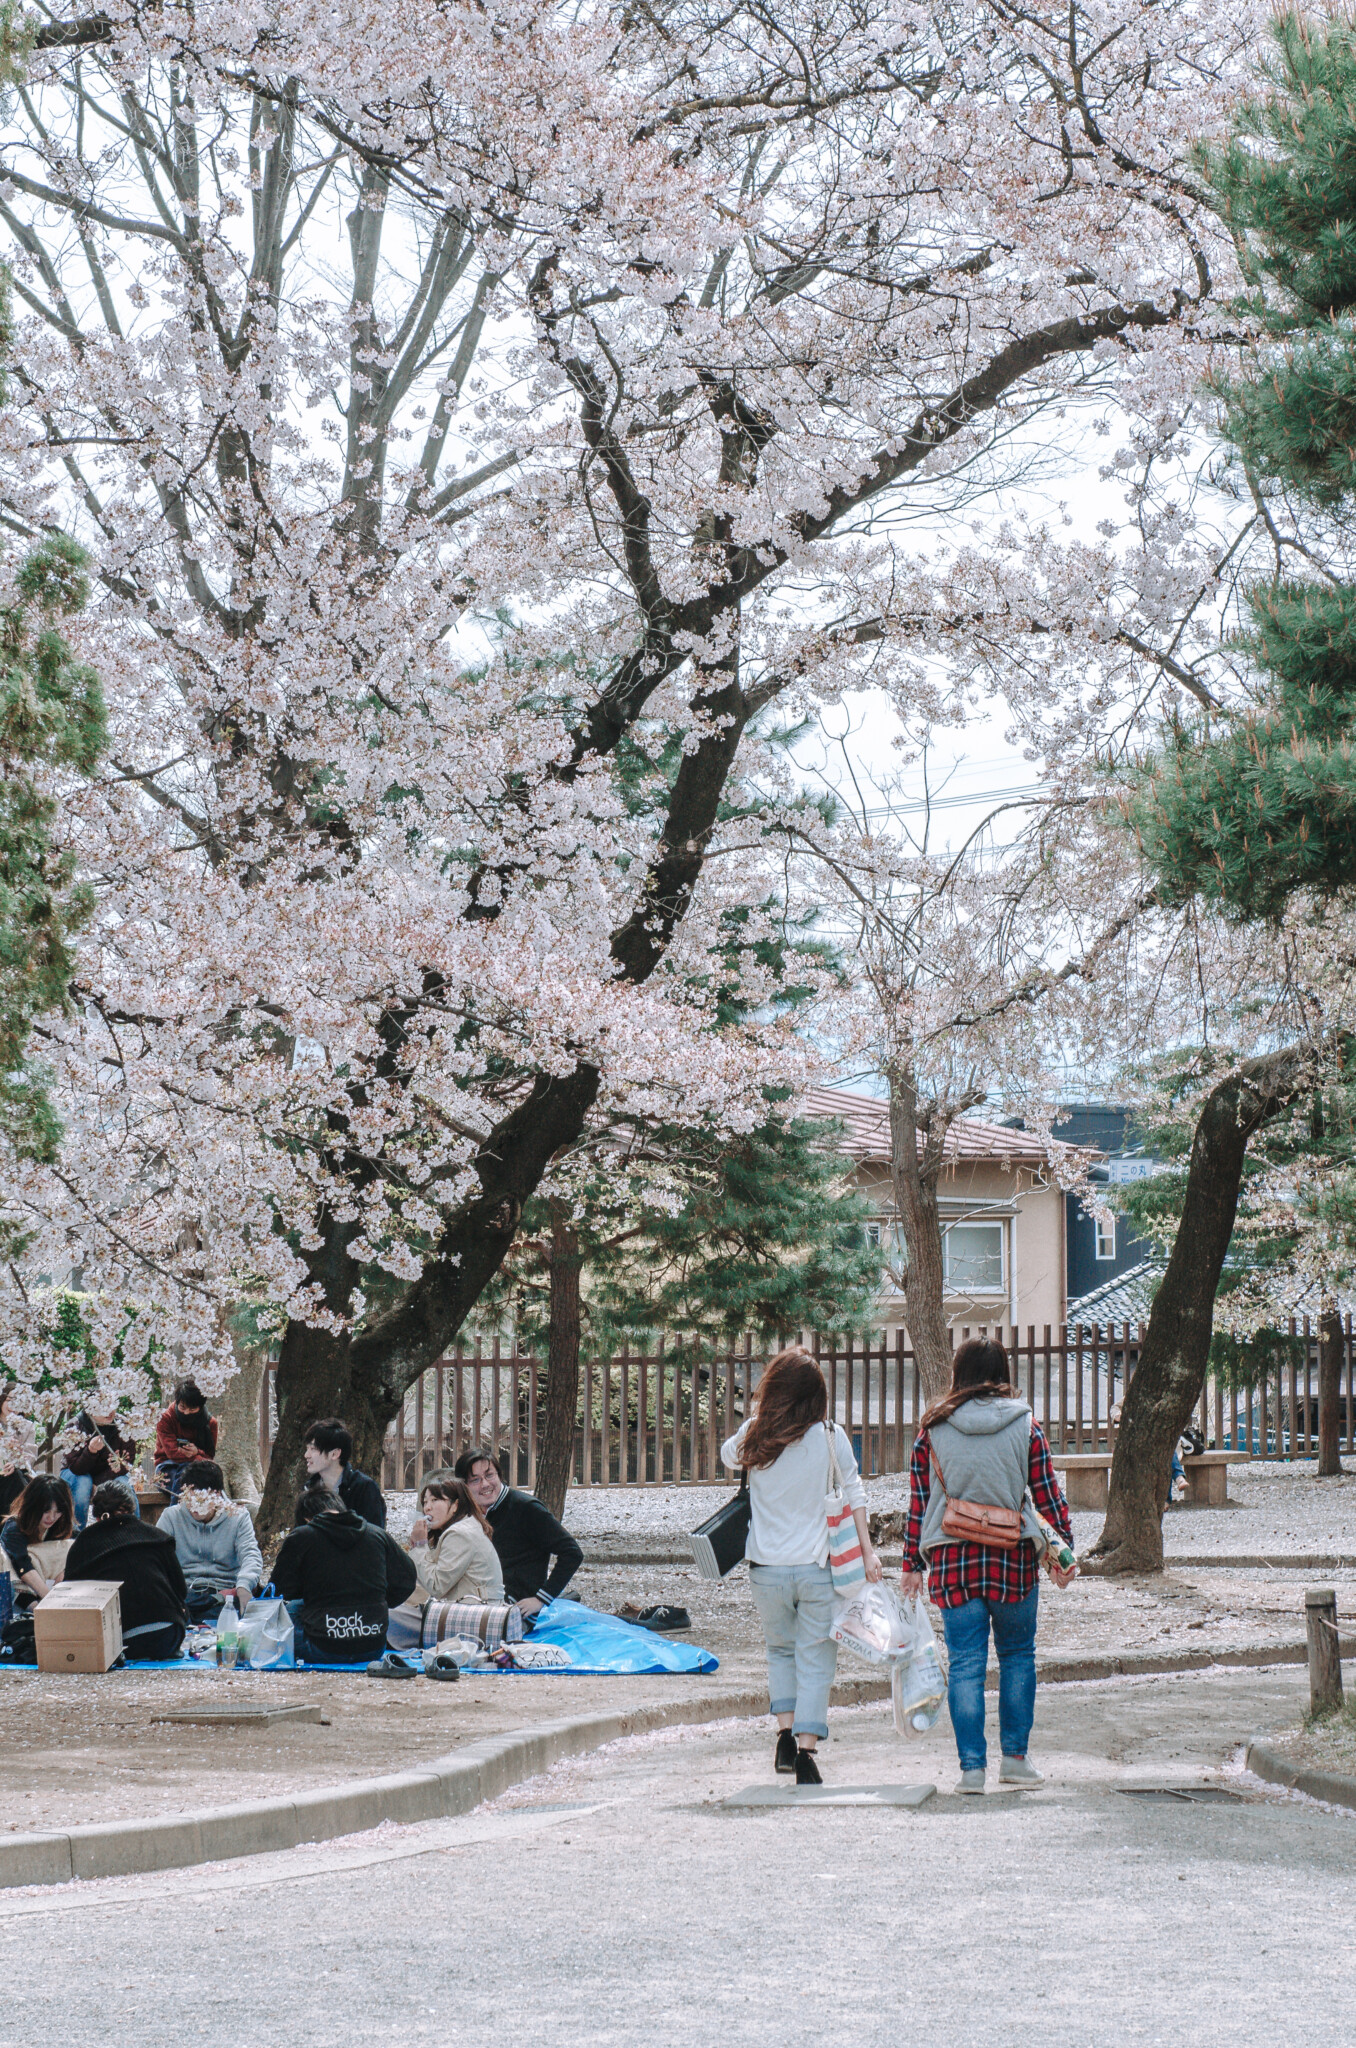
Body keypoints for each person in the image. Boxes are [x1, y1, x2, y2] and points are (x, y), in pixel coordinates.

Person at [900, 1337, 1075, 1795]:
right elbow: (1048, 1496)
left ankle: (972, 1770)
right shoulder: (1026, 1426)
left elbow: (919, 1506)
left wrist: (910, 1564)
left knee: (965, 1664)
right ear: (1003, 1372)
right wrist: (1064, 1551)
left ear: (958, 1374)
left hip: (953, 1561)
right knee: (1018, 1656)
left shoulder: (932, 1430)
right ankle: (1015, 1760)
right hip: (1012, 1558)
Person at [721, 1347, 881, 1785]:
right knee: (815, 1658)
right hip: (816, 1568)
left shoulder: (756, 1435)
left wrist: (756, 1416)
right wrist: (868, 1552)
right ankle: (807, 1753)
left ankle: (784, 1735)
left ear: (774, 1388)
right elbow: (854, 1495)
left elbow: (728, 1456)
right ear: (817, 1394)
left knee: (780, 1651)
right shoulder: (831, 1437)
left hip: (766, 1568)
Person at [271, 1485, 416, 1664]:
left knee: (292, 1607)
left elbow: (280, 1590)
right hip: (373, 1646)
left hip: (321, 1647)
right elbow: (407, 1581)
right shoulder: (377, 1535)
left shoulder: (302, 1537)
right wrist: (382, 1601)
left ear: (307, 1519)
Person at [64, 1482, 189, 1660]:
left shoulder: (84, 1543)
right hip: (168, 1632)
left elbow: (71, 1596)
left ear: (97, 1515)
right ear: (132, 1508)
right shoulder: (157, 1536)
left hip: (119, 1640)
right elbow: (181, 1590)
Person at [454, 1448, 582, 1616]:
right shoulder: (471, 1512)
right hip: (478, 1598)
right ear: (465, 1486)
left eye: (489, 1475)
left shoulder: (526, 1508)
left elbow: (572, 1553)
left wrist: (541, 1599)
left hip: (514, 1608)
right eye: (475, 1480)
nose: (485, 1484)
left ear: (500, 1475)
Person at [158, 1462, 263, 1622]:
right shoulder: (172, 1516)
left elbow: (250, 1554)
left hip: (224, 1594)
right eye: (189, 1499)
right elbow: (157, 1556)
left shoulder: (237, 1517)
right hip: (185, 1594)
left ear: (217, 1495)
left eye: (201, 1501)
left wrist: (244, 1584)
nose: (194, 1507)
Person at [409, 1478, 504, 1603]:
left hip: (473, 1613)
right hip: (475, 1608)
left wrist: (419, 1546)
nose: (427, 1508)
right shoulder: (467, 1526)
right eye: (425, 1502)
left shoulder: (459, 1534)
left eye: (435, 1500)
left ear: (455, 1505)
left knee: (393, 1613)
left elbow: (436, 1586)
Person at [60, 1407, 140, 1530]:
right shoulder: (75, 1426)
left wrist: (99, 1483)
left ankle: (134, 1531)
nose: (110, 1412)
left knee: (125, 1484)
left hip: (111, 1474)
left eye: (113, 1406)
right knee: (83, 1483)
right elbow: (76, 1468)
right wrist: (91, 1451)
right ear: (91, 1408)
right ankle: (75, 1533)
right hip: (75, 1472)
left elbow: (126, 1463)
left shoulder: (124, 1425)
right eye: (104, 1407)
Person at [1, 1475, 75, 1605]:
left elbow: (79, 1545)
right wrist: (49, 1601)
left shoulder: (59, 1525)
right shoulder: (14, 1527)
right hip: (21, 1590)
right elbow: (23, 1567)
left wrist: (65, 1571)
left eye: (58, 1512)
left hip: (51, 1585)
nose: (51, 1517)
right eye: (45, 1511)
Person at [302, 1418, 387, 1528]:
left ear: (335, 1454)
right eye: (307, 1448)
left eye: (313, 1449)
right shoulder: (309, 1488)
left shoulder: (364, 1488)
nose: (306, 1455)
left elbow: (373, 1537)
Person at [154, 1380, 220, 1500]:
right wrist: (199, 1456)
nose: (186, 1412)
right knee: (184, 1478)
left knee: (200, 1479)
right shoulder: (165, 1418)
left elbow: (209, 1457)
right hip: (167, 1467)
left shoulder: (210, 1423)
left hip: (198, 1468)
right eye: (182, 1407)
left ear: (200, 1407)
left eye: (192, 1409)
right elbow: (173, 1453)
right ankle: (177, 1515)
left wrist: (196, 1452)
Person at [0, 1387, 36, 1520]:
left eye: (19, 1402)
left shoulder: (27, 1426)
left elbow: (30, 1453)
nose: (13, 1406)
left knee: (15, 1478)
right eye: (9, 1400)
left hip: (16, 1473)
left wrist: (15, 1463)